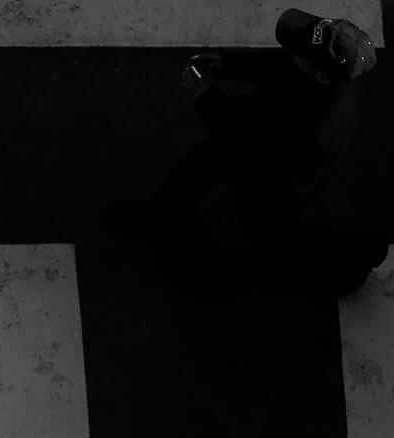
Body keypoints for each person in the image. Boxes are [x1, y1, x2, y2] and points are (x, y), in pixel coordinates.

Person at [106, 9, 383, 293]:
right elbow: (281, 65)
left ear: (320, 75)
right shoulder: (318, 72)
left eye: (301, 52)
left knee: (269, 231)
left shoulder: (311, 119)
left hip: (277, 172)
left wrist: (206, 96)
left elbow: (244, 147)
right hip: (259, 141)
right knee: (197, 168)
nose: (294, 52)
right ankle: (166, 219)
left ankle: (357, 256)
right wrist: (228, 63)